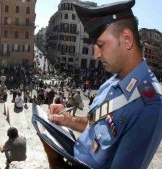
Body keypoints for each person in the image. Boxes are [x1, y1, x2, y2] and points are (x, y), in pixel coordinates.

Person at [43, 1, 162, 169]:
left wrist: (55, 161)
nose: (96, 55)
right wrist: (67, 120)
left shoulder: (149, 106)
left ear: (126, 39)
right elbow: (95, 126)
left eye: (100, 45)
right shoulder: (111, 81)